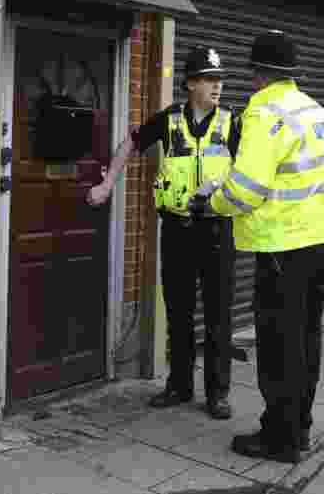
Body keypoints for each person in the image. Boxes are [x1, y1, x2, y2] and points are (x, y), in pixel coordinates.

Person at [194, 30, 324, 464]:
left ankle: (280, 438)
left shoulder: (264, 113)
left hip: (284, 247)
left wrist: (213, 202)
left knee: (279, 346)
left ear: (258, 74)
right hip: (321, 242)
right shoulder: (316, 111)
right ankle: (298, 428)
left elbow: (247, 189)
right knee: (306, 341)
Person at [86, 46, 239, 419]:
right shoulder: (169, 121)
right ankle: (180, 385)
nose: (216, 87)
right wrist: (107, 184)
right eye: (208, 79)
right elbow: (130, 143)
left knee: (219, 316)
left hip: (218, 229)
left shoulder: (233, 124)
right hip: (177, 230)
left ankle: (217, 393)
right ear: (190, 84)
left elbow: (252, 170)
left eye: (219, 80)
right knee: (179, 311)